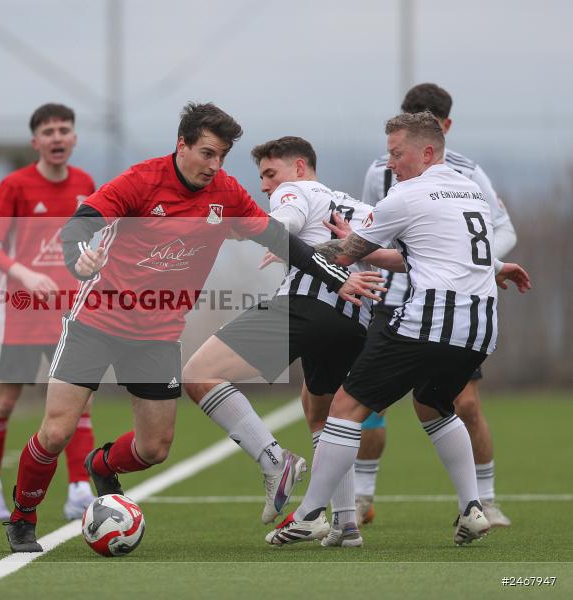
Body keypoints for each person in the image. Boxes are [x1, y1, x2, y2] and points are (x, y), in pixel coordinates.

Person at [4, 102, 385, 552]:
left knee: (154, 448)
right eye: (207, 153)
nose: (214, 165)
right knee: (56, 431)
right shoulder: (140, 180)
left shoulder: (226, 192)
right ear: (181, 145)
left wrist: (339, 279)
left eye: (222, 155)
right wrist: (77, 258)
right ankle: (22, 519)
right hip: (97, 322)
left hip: (157, 334)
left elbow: (282, 240)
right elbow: (78, 226)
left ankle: (101, 465)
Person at [267, 112, 530, 548]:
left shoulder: (406, 195)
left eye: (396, 153)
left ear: (426, 152)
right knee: (432, 405)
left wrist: (293, 246)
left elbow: (344, 254)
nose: (390, 163)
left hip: (429, 320)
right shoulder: (468, 190)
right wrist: (499, 266)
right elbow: (419, 255)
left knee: (344, 406)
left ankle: (310, 514)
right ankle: (472, 508)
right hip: (481, 327)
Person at [183, 136, 399, 547]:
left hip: (307, 305)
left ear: (300, 167)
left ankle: (275, 461)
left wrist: (243, 229)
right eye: (262, 178)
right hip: (355, 321)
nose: (266, 185)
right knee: (328, 416)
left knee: (198, 374)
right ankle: (345, 523)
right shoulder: (362, 209)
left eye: (271, 174)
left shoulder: (296, 191)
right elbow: (405, 256)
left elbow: (281, 224)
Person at [354, 83, 517, 527]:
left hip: (452, 307)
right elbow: (368, 228)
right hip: (392, 298)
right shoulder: (381, 171)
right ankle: (362, 496)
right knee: (368, 400)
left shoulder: (467, 173)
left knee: (462, 404)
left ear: (444, 129)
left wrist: (477, 267)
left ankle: (484, 500)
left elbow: (502, 228)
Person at [0, 103, 96, 521]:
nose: (57, 137)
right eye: (48, 131)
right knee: (3, 402)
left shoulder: (85, 183)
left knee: (78, 402)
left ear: (73, 138)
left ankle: (78, 489)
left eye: (63, 130)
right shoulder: (15, 185)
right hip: (22, 313)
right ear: (35, 142)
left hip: (68, 312)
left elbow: (88, 240)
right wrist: (24, 273)